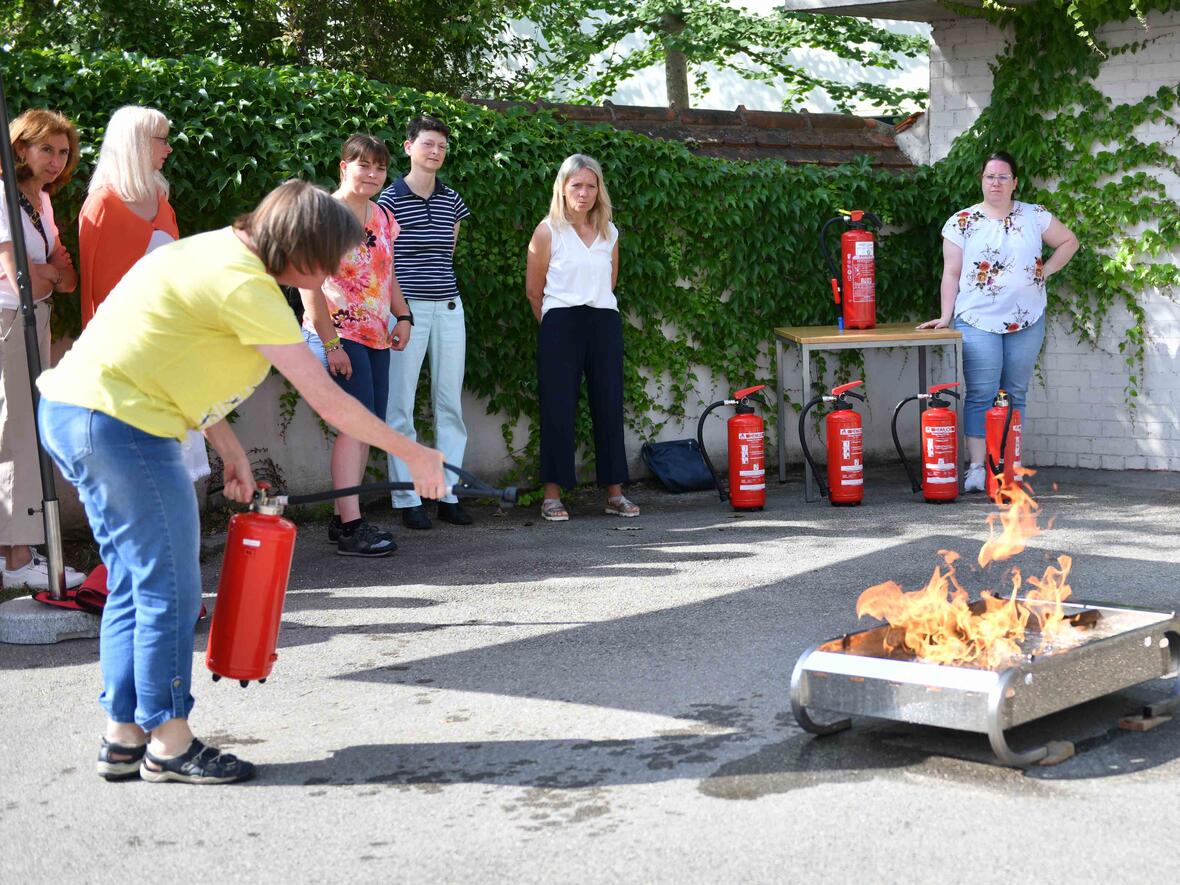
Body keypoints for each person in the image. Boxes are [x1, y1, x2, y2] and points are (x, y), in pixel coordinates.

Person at [36, 180, 446, 784]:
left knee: (133, 581)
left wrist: (224, 443)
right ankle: (170, 742)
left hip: (86, 416)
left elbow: (166, 353)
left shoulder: (212, 252)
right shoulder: (246, 286)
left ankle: (124, 735)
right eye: (326, 260)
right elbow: (329, 400)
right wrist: (415, 453)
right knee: (169, 590)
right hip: (121, 429)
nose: (331, 272)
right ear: (298, 246)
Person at [918, 150, 1079, 491]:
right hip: (977, 320)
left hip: (1027, 319)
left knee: (1015, 392)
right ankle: (979, 467)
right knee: (981, 393)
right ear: (981, 180)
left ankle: (1010, 465)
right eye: (990, 176)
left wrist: (1046, 270)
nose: (996, 182)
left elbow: (1069, 242)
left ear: (1014, 182)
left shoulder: (1034, 216)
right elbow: (952, 273)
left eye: (1003, 177)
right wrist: (946, 316)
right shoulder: (962, 221)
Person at [79, 106, 209, 485]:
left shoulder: (161, 199)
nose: (169, 149)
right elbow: (97, 297)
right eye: (162, 139)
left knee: (174, 467)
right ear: (136, 143)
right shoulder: (101, 204)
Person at [300, 134, 414, 556]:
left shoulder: (382, 216)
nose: (372, 173)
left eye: (380, 167)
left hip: (375, 336)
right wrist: (331, 346)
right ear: (343, 166)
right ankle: (351, 528)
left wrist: (402, 316)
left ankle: (341, 518)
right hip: (338, 336)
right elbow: (308, 287)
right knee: (355, 426)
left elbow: (388, 273)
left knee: (365, 429)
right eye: (362, 165)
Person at [525, 154, 638, 522]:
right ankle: (552, 496)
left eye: (591, 186)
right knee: (558, 408)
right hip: (560, 323)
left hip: (603, 321)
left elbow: (611, 281)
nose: (584, 193)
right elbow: (533, 291)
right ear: (563, 187)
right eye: (577, 185)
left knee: (609, 404)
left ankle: (615, 493)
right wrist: (555, 326)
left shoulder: (610, 232)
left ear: (599, 190)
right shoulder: (547, 231)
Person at [0, 109, 85, 590]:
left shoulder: (43, 202)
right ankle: (18, 557)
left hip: (34, 320)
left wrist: (47, 273)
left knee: (23, 429)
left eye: (63, 151)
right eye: (46, 149)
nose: (56, 160)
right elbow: (25, 281)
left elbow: (66, 281)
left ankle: (12, 550)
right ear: (21, 148)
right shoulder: (2, 195)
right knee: (19, 432)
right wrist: (46, 272)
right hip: (11, 321)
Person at [376, 115, 473, 530]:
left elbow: (447, 253)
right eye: (428, 144)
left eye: (441, 147)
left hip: (449, 307)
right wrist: (402, 312)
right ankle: (407, 497)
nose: (435, 152)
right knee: (400, 405)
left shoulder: (452, 199)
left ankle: (446, 492)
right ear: (408, 146)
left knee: (449, 404)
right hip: (405, 311)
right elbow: (385, 263)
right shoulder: (388, 200)